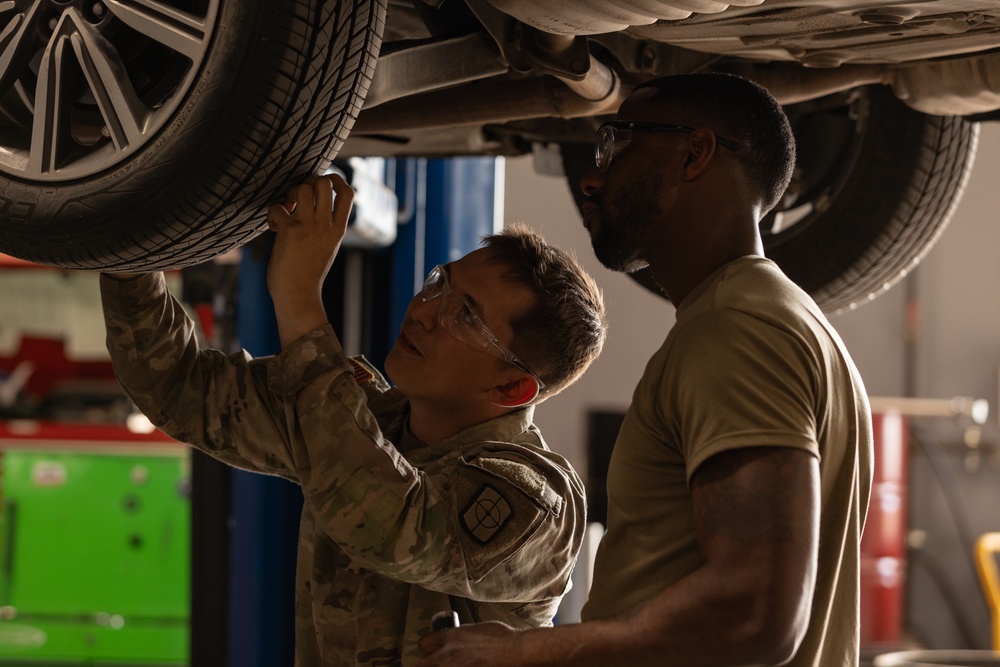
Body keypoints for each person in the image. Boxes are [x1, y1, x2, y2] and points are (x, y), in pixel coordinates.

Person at [418, 73, 873, 666]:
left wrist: (535, 651)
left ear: (694, 153)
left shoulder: (739, 330)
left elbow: (756, 612)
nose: (591, 174)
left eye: (617, 142)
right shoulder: (781, 321)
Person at [99, 173, 608, 666]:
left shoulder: (541, 504)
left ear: (511, 388)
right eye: (439, 283)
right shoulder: (365, 418)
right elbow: (178, 387)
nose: (425, 310)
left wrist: (300, 301)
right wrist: (131, 229)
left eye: (466, 315)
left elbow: (389, 526)